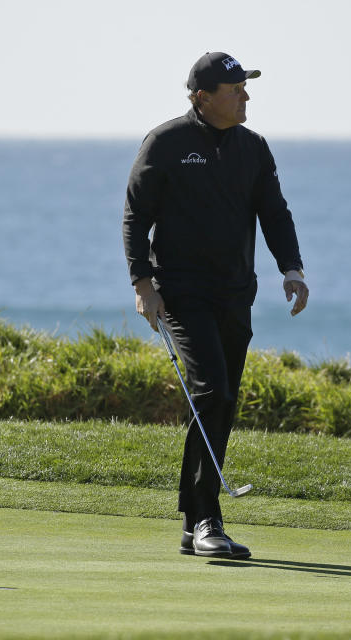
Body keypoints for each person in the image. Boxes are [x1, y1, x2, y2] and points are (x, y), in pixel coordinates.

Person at [122, 51, 308, 559]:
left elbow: (274, 212)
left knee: (222, 399)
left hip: (234, 293)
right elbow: (136, 217)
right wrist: (143, 283)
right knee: (213, 390)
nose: (245, 96)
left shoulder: (253, 148)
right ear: (203, 97)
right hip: (181, 293)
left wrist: (291, 268)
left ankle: (192, 520)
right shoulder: (166, 143)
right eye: (235, 89)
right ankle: (205, 517)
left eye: (246, 87)